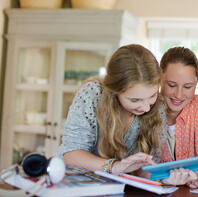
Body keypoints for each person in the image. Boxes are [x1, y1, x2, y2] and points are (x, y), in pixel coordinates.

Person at [58, 44, 170, 179]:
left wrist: (165, 177)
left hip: (119, 191)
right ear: (114, 91)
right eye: (135, 100)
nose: (146, 108)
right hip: (72, 183)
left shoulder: (158, 106)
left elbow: (145, 168)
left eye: (152, 95)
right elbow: (72, 155)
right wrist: (114, 166)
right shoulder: (92, 94)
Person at [160, 47, 198, 188]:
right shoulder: (146, 107)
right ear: (159, 78)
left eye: (187, 87)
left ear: (196, 83)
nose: (179, 95)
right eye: (171, 85)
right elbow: (140, 167)